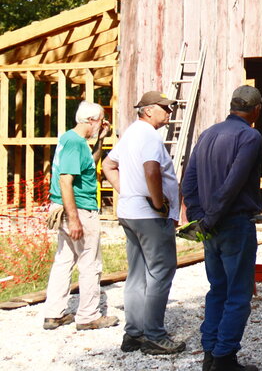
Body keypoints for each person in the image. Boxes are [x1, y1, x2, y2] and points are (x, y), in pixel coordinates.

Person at [182, 85, 262, 371]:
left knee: (217, 289)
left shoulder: (207, 134)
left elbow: (188, 181)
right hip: (232, 222)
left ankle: (210, 354)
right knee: (238, 293)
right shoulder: (250, 136)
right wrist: (212, 217)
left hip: (210, 224)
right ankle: (224, 357)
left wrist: (198, 217)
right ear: (256, 110)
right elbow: (233, 183)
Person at [101, 91, 184, 356]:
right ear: (148, 110)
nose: (169, 113)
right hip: (149, 216)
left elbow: (107, 165)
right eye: (165, 108)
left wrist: (126, 191)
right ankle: (155, 336)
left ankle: (134, 334)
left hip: (130, 212)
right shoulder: (149, 135)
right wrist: (159, 204)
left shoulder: (130, 133)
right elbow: (151, 170)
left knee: (137, 274)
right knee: (161, 272)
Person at [42, 100, 118, 331]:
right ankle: (88, 316)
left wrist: (101, 140)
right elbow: (66, 180)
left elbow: (88, 165)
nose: (102, 124)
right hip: (80, 209)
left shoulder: (71, 139)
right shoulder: (76, 143)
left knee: (64, 261)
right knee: (90, 263)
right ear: (92, 120)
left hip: (64, 207)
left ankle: (54, 314)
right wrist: (74, 218)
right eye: (100, 120)